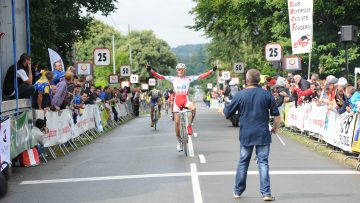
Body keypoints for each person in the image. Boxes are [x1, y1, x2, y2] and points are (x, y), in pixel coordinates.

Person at [223, 69, 280, 201]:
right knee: (263, 163)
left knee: (243, 162)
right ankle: (266, 193)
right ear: (259, 80)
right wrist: (275, 129)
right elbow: (277, 117)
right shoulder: (266, 94)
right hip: (263, 133)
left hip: (246, 134)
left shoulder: (240, 95)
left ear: (247, 80)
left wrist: (222, 110)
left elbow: (227, 113)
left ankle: (237, 191)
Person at [147, 63, 216, 151]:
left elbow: (201, 76)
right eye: (179, 69)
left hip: (185, 100)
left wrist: (212, 71)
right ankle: (179, 141)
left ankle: (189, 126)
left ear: (184, 70)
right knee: (176, 123)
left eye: (182, 69)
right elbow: (160, 76)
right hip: (177, 101)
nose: (180, 71)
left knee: (193, 108)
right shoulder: (173, 79)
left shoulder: (189, 78)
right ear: (177, 70)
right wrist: (150, 70)